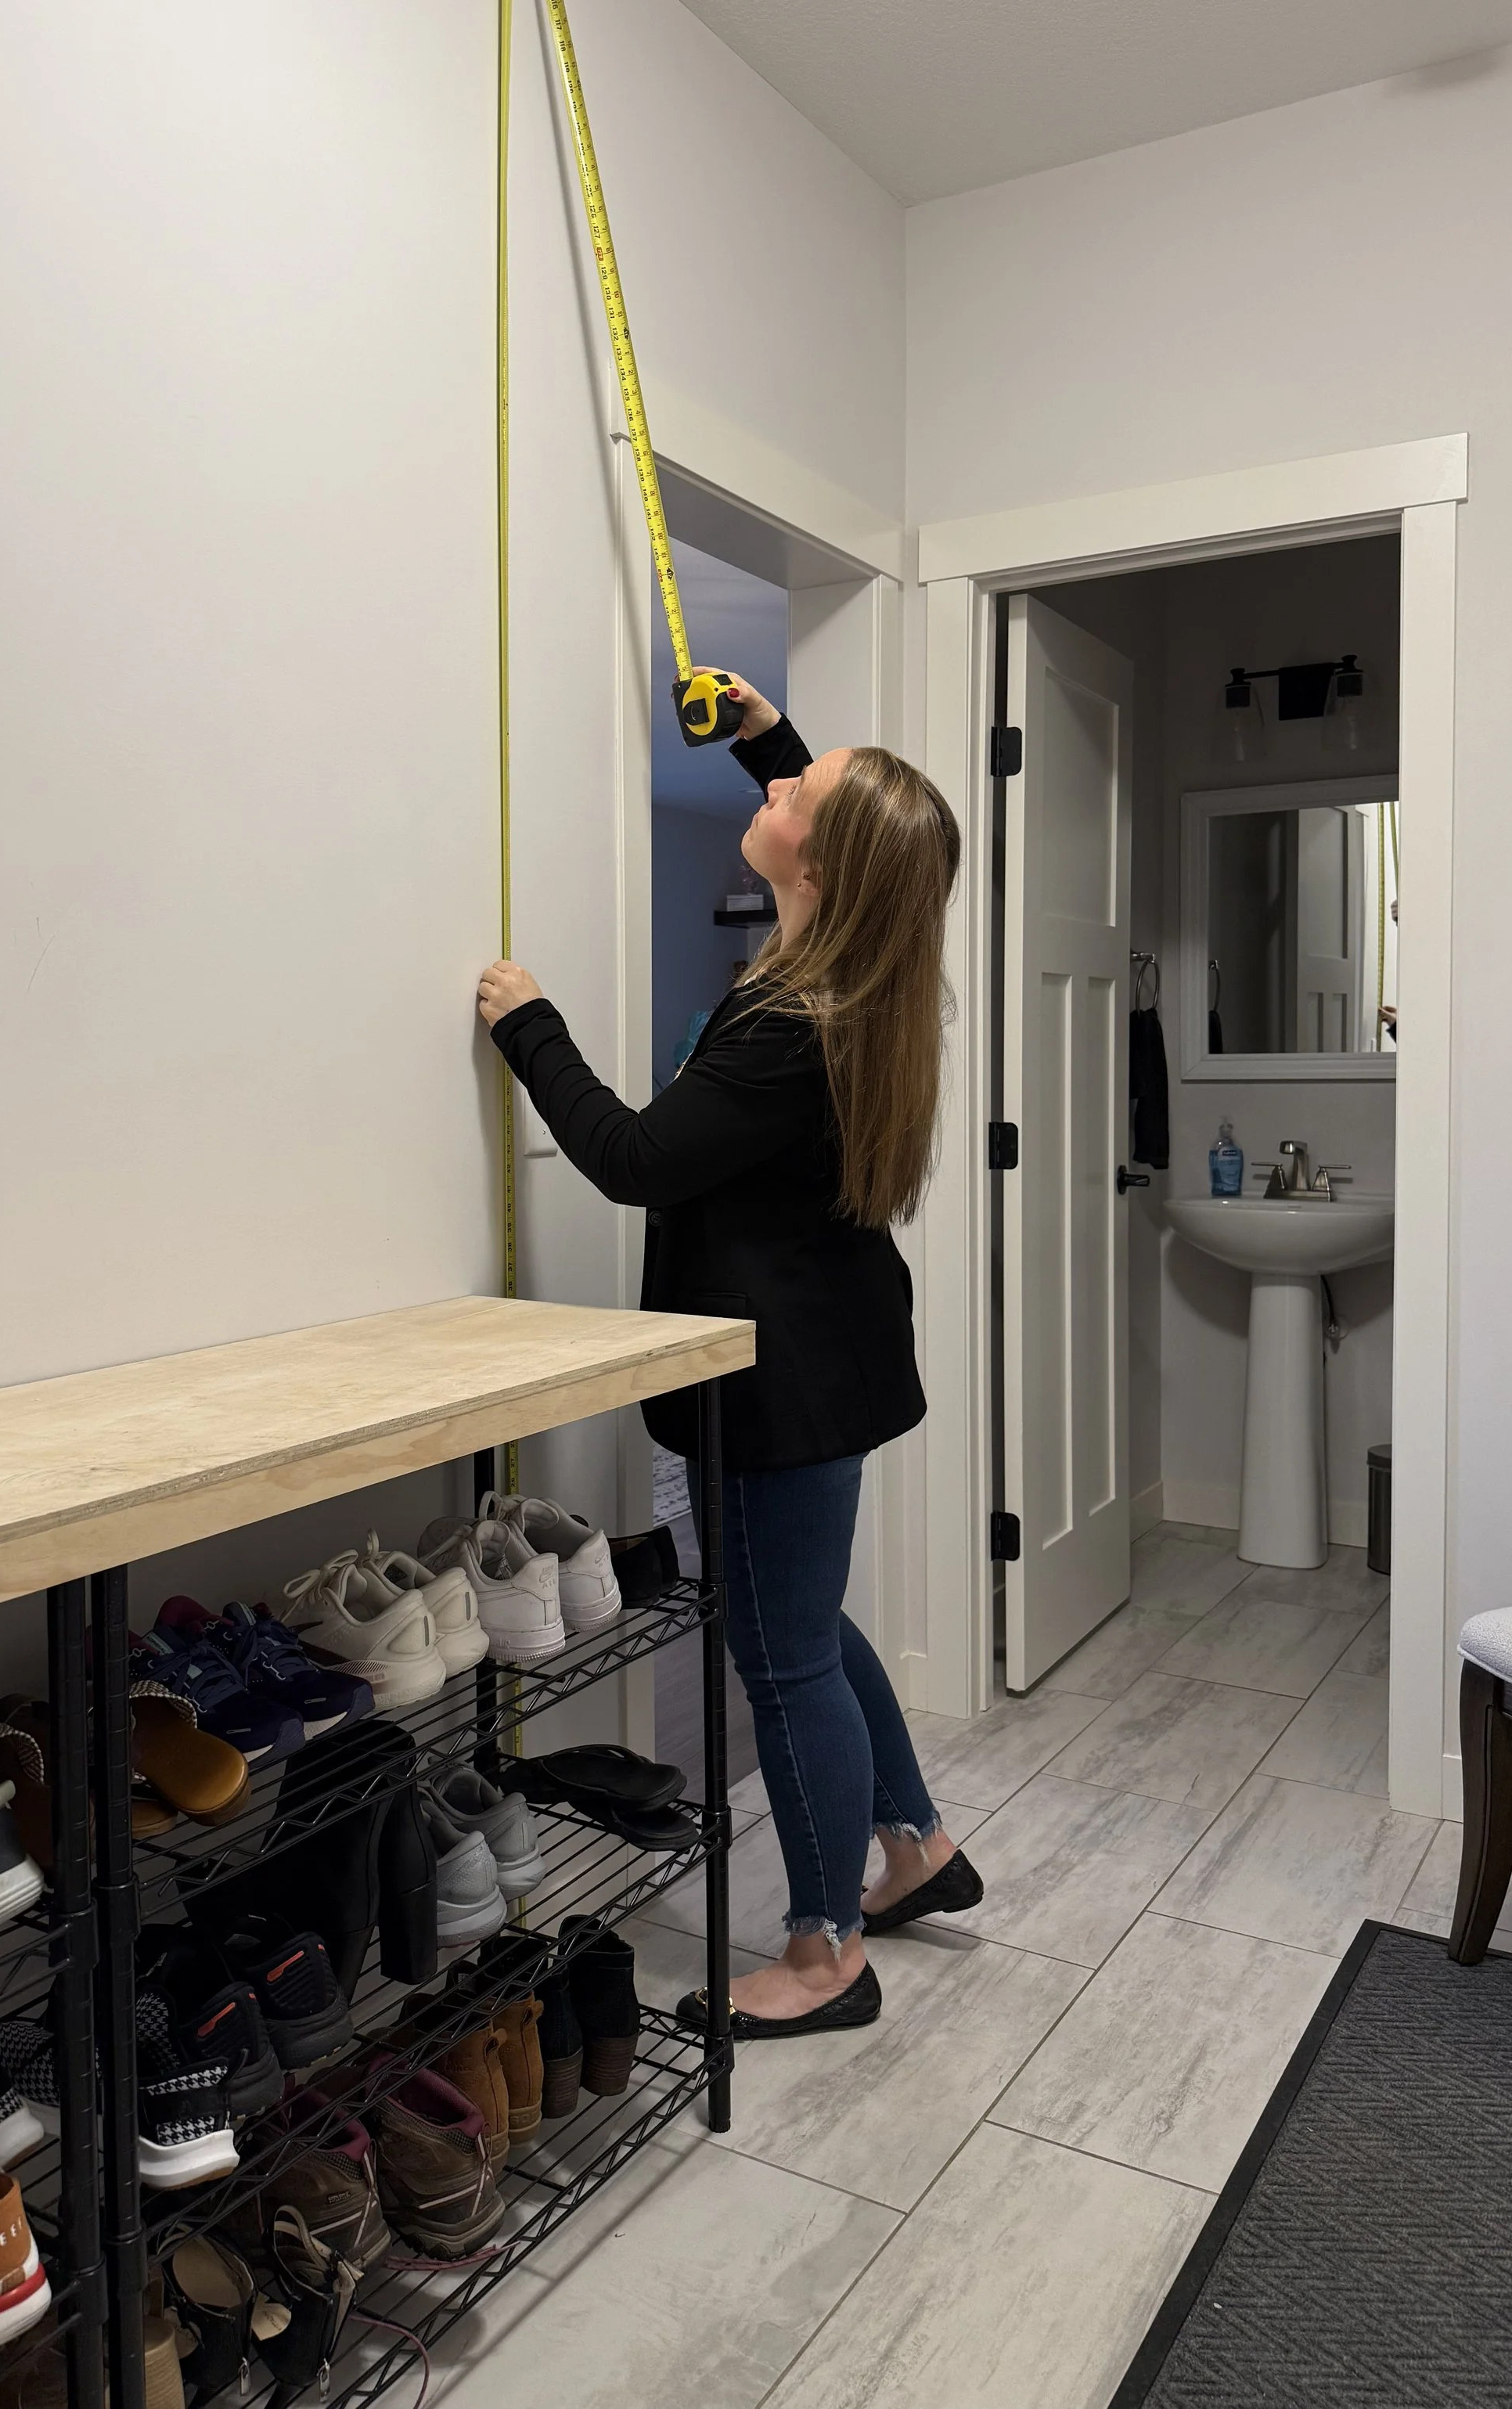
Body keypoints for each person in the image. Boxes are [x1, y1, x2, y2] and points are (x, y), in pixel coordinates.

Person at [476, 677, 982, 2039]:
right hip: (837, 1356)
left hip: (778, 1379)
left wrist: (530, 1020)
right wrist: (771, 736)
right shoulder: (865, 979)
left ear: (816, 862)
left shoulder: (783, 1024)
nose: (772, 791)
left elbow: (634, 1159)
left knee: (783, 1658)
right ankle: (914, 1848)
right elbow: (856, 835)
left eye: (788, 797)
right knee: (811, 1630)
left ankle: (825, 1958)